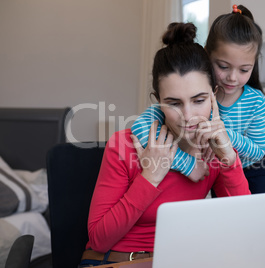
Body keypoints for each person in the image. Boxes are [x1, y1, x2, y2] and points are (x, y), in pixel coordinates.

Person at [79, 22, 250, 267]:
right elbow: (99, 240)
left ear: (214, 95)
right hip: (116, 260)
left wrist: (230, 161)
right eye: (174, 103)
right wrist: (150, 177)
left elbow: (244, 224)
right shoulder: (125, 145)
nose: (189, 116)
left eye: (199, 100)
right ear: (158, 102)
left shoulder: (215, 150)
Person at [132, 4, 265, 194]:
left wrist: (223, 136)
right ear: (207, 54)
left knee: (260, 215)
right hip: (220, 165)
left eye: (244, 70)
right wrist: (187, 165)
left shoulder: (255, 100)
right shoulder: (191, 95)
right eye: (223, 66)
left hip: (256, 166)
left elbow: (258, 151)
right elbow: (139, 127)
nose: (233, 78)